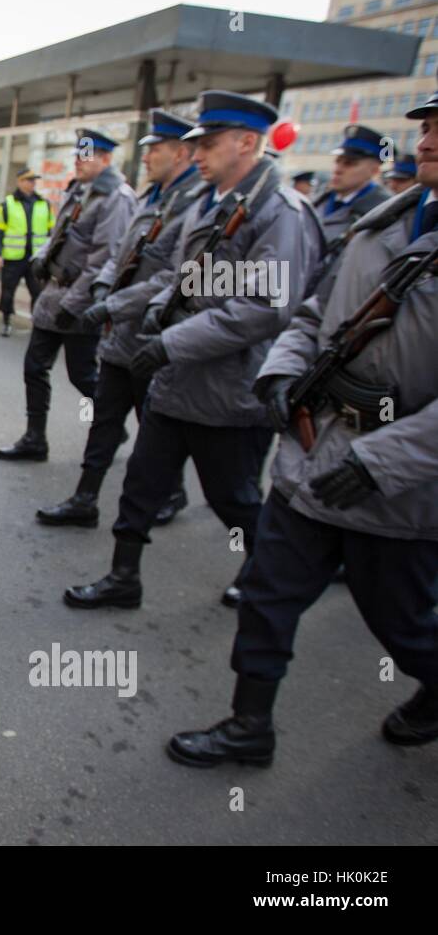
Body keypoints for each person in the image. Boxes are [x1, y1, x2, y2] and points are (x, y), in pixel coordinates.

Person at [168, 89, 438, 765]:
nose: (428, 139)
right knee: (266, 595)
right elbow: (315, 315)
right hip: (315, 455)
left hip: (399, 486)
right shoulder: (384, 224)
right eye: (428, 125)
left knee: (403, 625)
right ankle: (248, 726)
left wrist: (382, 462)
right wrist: (283, 376)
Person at [63, 90, 323, 612]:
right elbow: (182, 276)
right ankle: (123, 577)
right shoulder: (214, 203)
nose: (198, 152)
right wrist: (156, 310)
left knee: (234, 499)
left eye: (210, 142)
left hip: (230, 392)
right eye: (196, 143)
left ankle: (260, 573)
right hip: (179, 381)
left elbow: (263, 308)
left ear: (248, 142)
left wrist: (169, 343)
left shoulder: (280, 211)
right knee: (141, 483)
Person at [37, 109, 202, 529]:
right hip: (122, 334)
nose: (146, 158)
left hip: (156, 334)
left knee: (156, 427)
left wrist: (110, 303)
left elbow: (174, 275)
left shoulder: (193, 206)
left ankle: (173, 490)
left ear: (181, 153)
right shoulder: (151, 199)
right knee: (105, 421)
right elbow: (119, 255)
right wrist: (102, 289)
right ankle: (85, 498)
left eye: (156, 150)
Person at [0, 129, 136, 461]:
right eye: (77, 155)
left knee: (83, 377)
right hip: (55, 296)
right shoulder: (78, 191)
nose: (78, 161)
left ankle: (106, 426)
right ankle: (34, 438)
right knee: (34, 367)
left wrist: (74, 305)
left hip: (81, 302)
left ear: (105, 159)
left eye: (85, 156)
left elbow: (105, 258)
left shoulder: (117, 197)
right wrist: (40, 260)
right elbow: (57, 234)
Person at [0, 167, 52, 337]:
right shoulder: (8, 204)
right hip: (13, 258)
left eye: (34, 180)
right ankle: (6, 321)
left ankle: (36, 323)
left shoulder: (43, 204)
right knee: (8, 292)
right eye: (29, 180)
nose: (32, 184)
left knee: (38, 293)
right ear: (20, 182)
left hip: (36, 258)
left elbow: (52, 232)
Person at [314, 125, 390, 242]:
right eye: (337, 161)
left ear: (374, 171)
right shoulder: (319, 201)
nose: (337, 170)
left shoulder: (381, 214)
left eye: (349, 163)